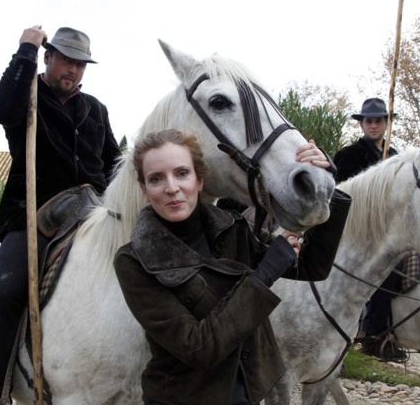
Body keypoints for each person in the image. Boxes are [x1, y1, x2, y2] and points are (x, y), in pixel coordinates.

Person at [114, 129, 351, 405]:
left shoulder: (231, 228)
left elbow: (311, 267)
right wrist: (266, 272)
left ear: (199, 180)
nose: (171, 188)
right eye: (156, 178)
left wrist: (325, 181)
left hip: (244, 395)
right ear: (144, 190)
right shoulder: (134, 261)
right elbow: (198, 347)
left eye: (182, 173)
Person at [0, 26, 121, 404]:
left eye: (80, 64)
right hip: (34, 215)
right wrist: (24, 49)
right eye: (66, 61)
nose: (72, 70)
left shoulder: (97, 110)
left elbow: (113, 165)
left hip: (91, 213)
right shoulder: (26, 99)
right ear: (48, 57)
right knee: (7, 289)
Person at [333, 97, 404, 361]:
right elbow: (339, 196)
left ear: (386, 124)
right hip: (357, 231)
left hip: (390, 230)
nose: (373, 125)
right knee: (389, 268)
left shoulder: (394, 157)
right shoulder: (347, 156)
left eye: (378, 121)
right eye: (369, 121)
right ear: (362, 124)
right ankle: (374, 334)